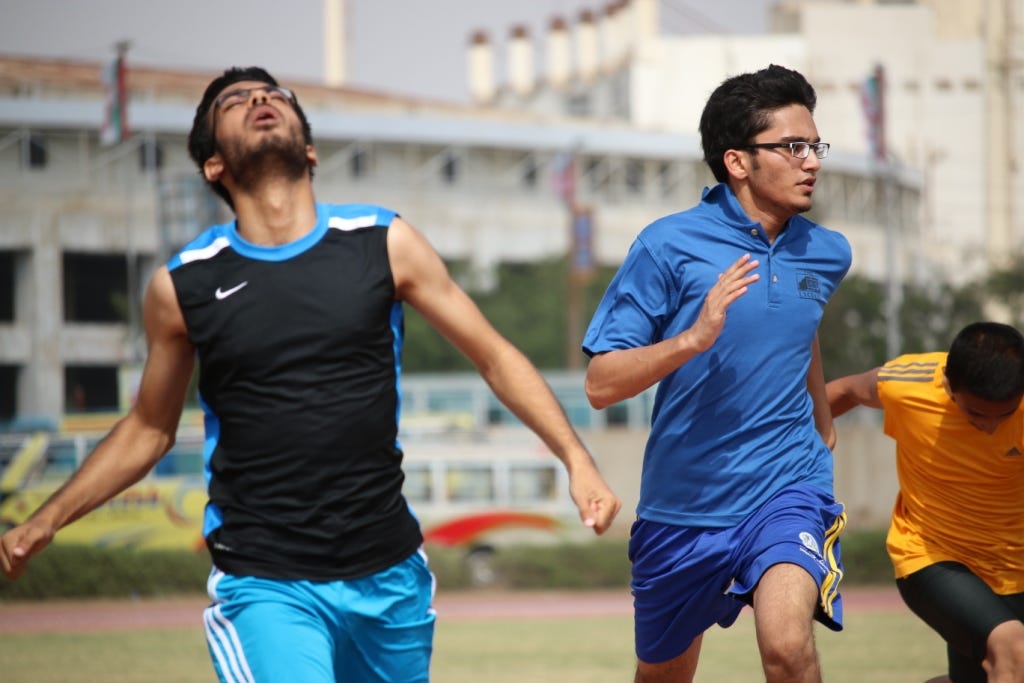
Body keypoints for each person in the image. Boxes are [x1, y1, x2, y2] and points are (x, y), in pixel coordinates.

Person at [0, 66, 621, 683]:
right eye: (235, 102)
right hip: (265, 578)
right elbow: (149, 428)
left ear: (311, 149)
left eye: (275, 95)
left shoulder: (383, 242)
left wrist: (577, 459)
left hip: (388, 574)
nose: (260, 99)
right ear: (213, 165)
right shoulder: (184, 285)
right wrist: (46, 518)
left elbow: (494, 356)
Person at [582, 64, 851, 683]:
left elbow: (800, 328)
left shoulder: (827, 251)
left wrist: (820, 416)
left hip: (788, 486)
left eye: (816, 146)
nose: (811, 162)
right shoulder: (666, 246)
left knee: (787, 648)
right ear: (737, 161)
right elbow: (601, 384)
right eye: (793, 147)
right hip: (683, 508)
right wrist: (692, 339)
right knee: (664, 676)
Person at [827, 321, 1024, 683]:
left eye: (1005, 414)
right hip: (933, 558)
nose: (991, 426)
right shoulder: (907, 384)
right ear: (948, 383)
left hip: (1014, 566)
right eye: (976, 414)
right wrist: (787, 445)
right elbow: (845, 391)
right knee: (1014, 648)